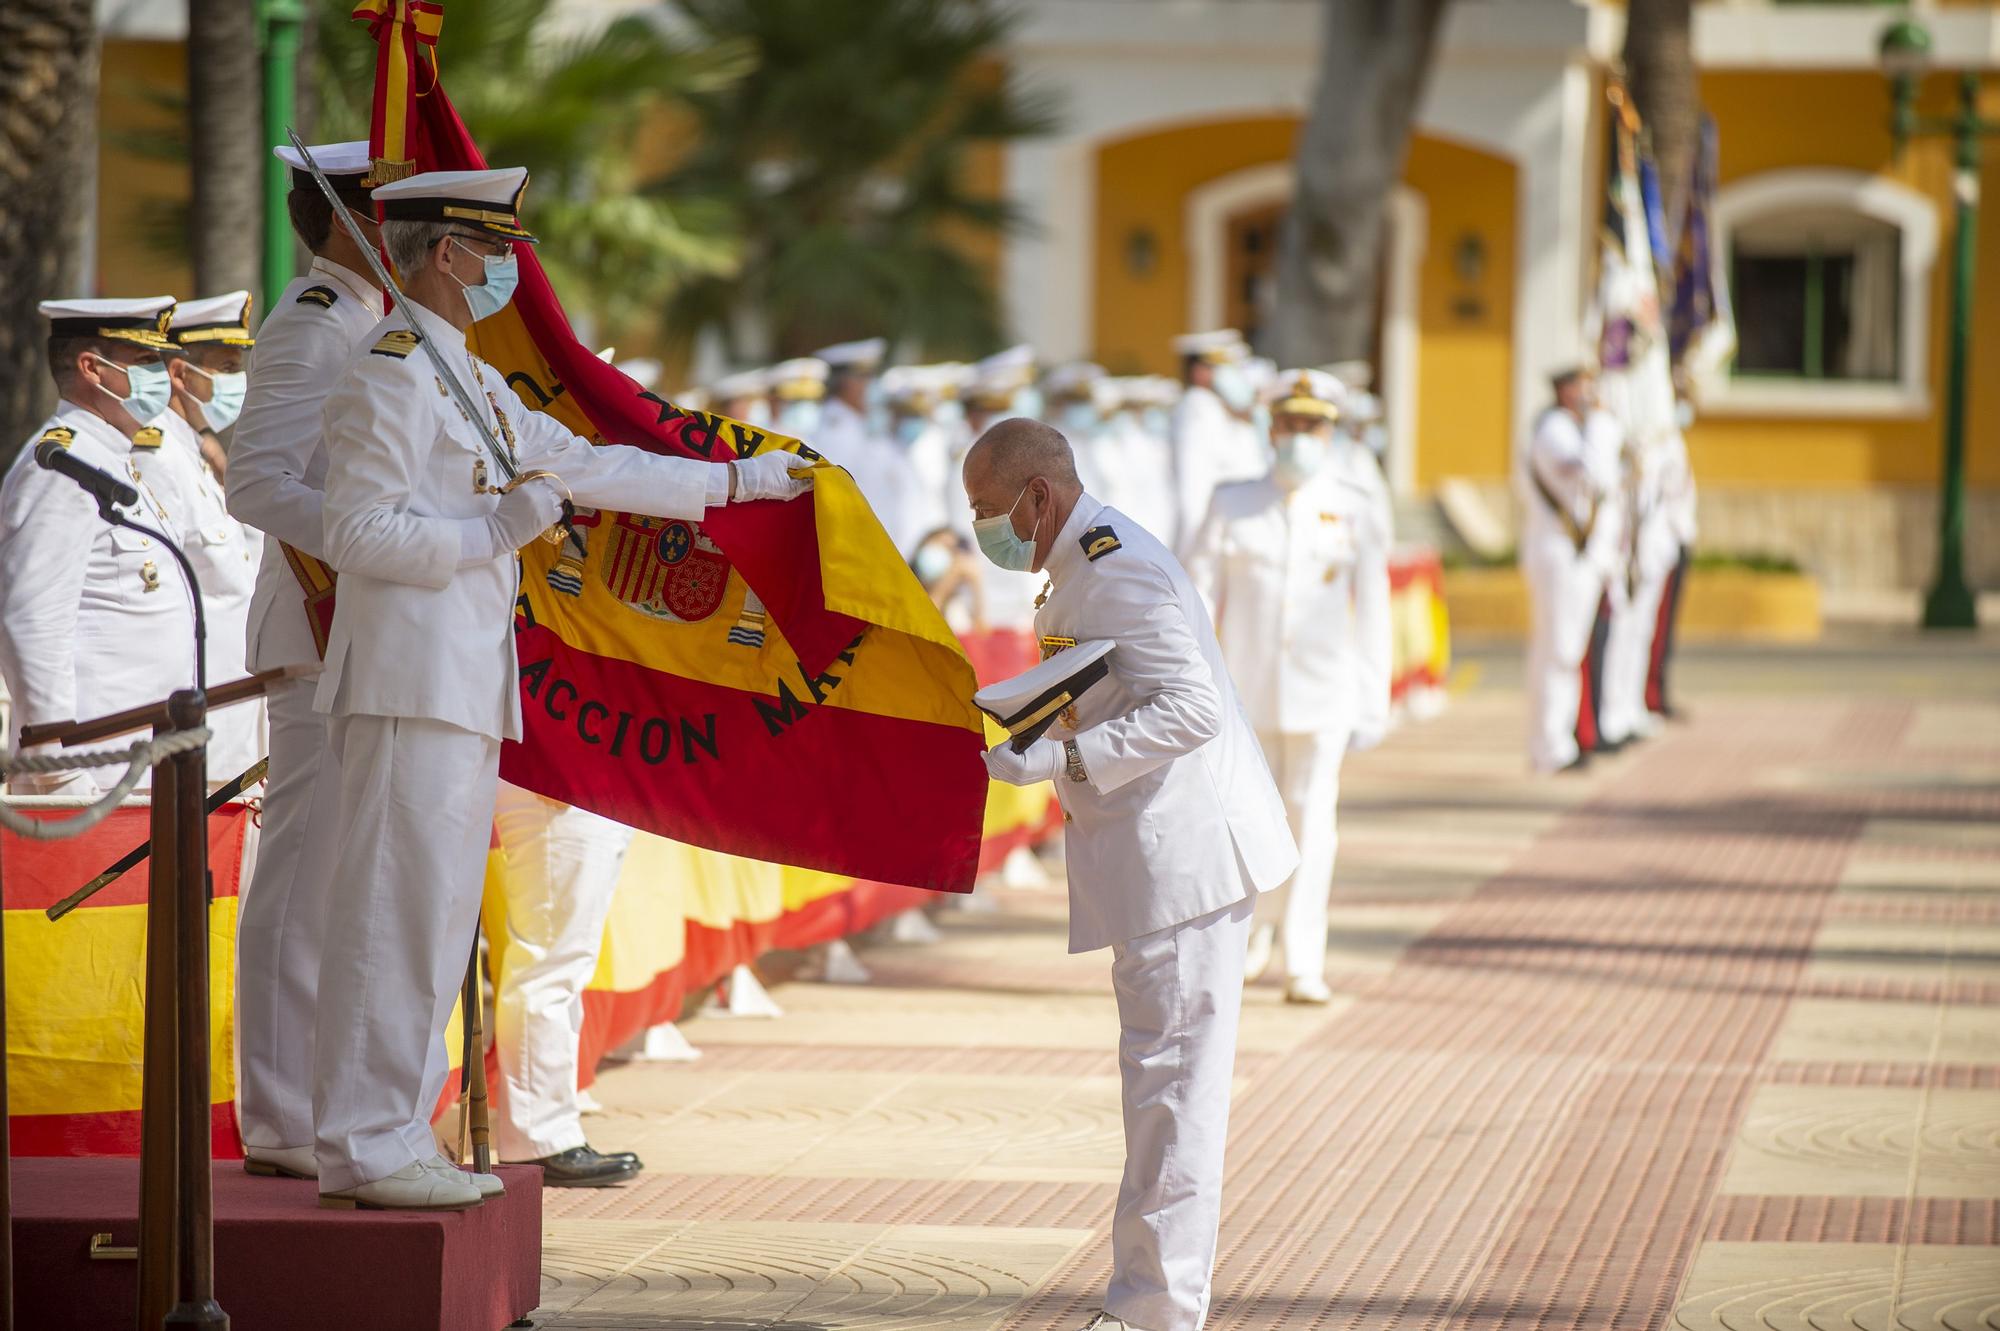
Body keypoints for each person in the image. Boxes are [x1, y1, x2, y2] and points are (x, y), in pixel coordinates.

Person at [309, 165, 810, 1211]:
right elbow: (354, 530)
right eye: (494, 252)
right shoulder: (393, 369)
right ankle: (363, 1139)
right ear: (445, 254)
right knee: (393, 914)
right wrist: (493, 532)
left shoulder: (467, 376)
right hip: (406, 679)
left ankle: (392, 1131)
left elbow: (582, 463)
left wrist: (737, 483)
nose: (507, 272)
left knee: (435, 918)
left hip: (456, 680)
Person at [965, 418, 1296, 1331]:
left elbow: (1189, 706)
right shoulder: (1079, 565)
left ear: (1039, 496)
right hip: (1155, 861)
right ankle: (1147, 1303)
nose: (982, 530)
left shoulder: (1117, 568)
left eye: (988, 510)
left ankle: (1156, 1313)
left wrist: (1063, 765)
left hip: (1184, 864)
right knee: (1160, 1091)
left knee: (1175, 1096)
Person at [224, 139, 389, 1182]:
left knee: (347, 880)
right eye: (387, 207)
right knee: (299, 875)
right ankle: (279, 1114)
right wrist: (371, 536)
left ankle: (326, 1099)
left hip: (371, 625)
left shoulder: (379, 324)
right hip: (321, 620)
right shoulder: (314, 329)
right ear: (338, 217)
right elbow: (257, 482)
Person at [1184, 370, 1391, 1005]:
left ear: (1330, 433)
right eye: (1291, 424)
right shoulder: (1232, 503)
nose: (1301, 436)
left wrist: (1371, 698)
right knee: (1244, 820)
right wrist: (1193, 687)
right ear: (1270, 429)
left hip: (1323, 694)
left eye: (1314, 426)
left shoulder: (1355, 505)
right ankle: (1251, 939)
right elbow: (1195, 601)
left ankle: (1304, 959)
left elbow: (1374, 611)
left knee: (1312, 822)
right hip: (1242, 695)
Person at [0, 297, 192, 794]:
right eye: (145, 362)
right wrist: (54, 766)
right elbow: (32, 618)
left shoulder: (111, 458)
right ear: (92, 369)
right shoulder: (62, 466)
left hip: (143, 763)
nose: (162, 378)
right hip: (92, 771)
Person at [489, 783, 643, 1185]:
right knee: (552, 959)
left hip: (595, 766)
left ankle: (547, 1129)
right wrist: (559, 768)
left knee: (564, 960)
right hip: (564, 768)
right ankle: (540, 1136)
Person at [143, 290, 265, 785]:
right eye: (225, 366)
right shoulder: (155, 456)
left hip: (232, 713)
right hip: (197, 715)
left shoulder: (194, 450)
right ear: (180, 374)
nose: (237, 382)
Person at [1517, 368, 1615, 774]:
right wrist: (1602, 424)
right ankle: (1549, 746)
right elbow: (1595, 472)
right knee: (1558, 649)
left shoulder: (1579, 427)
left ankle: (1559, 741)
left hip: (1577, 552)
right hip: (1557, 550)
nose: (1588, 393)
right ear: (1563, 389)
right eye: (1581, 386)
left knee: (1568, 649)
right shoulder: (1554, 428)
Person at [1168, 329, 1263, 552]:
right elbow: (1193, 483)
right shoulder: (1198, 406)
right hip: (1208, 534)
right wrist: (1196, 542)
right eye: (1224, 368)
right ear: (1200, 372)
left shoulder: (1221, 409)